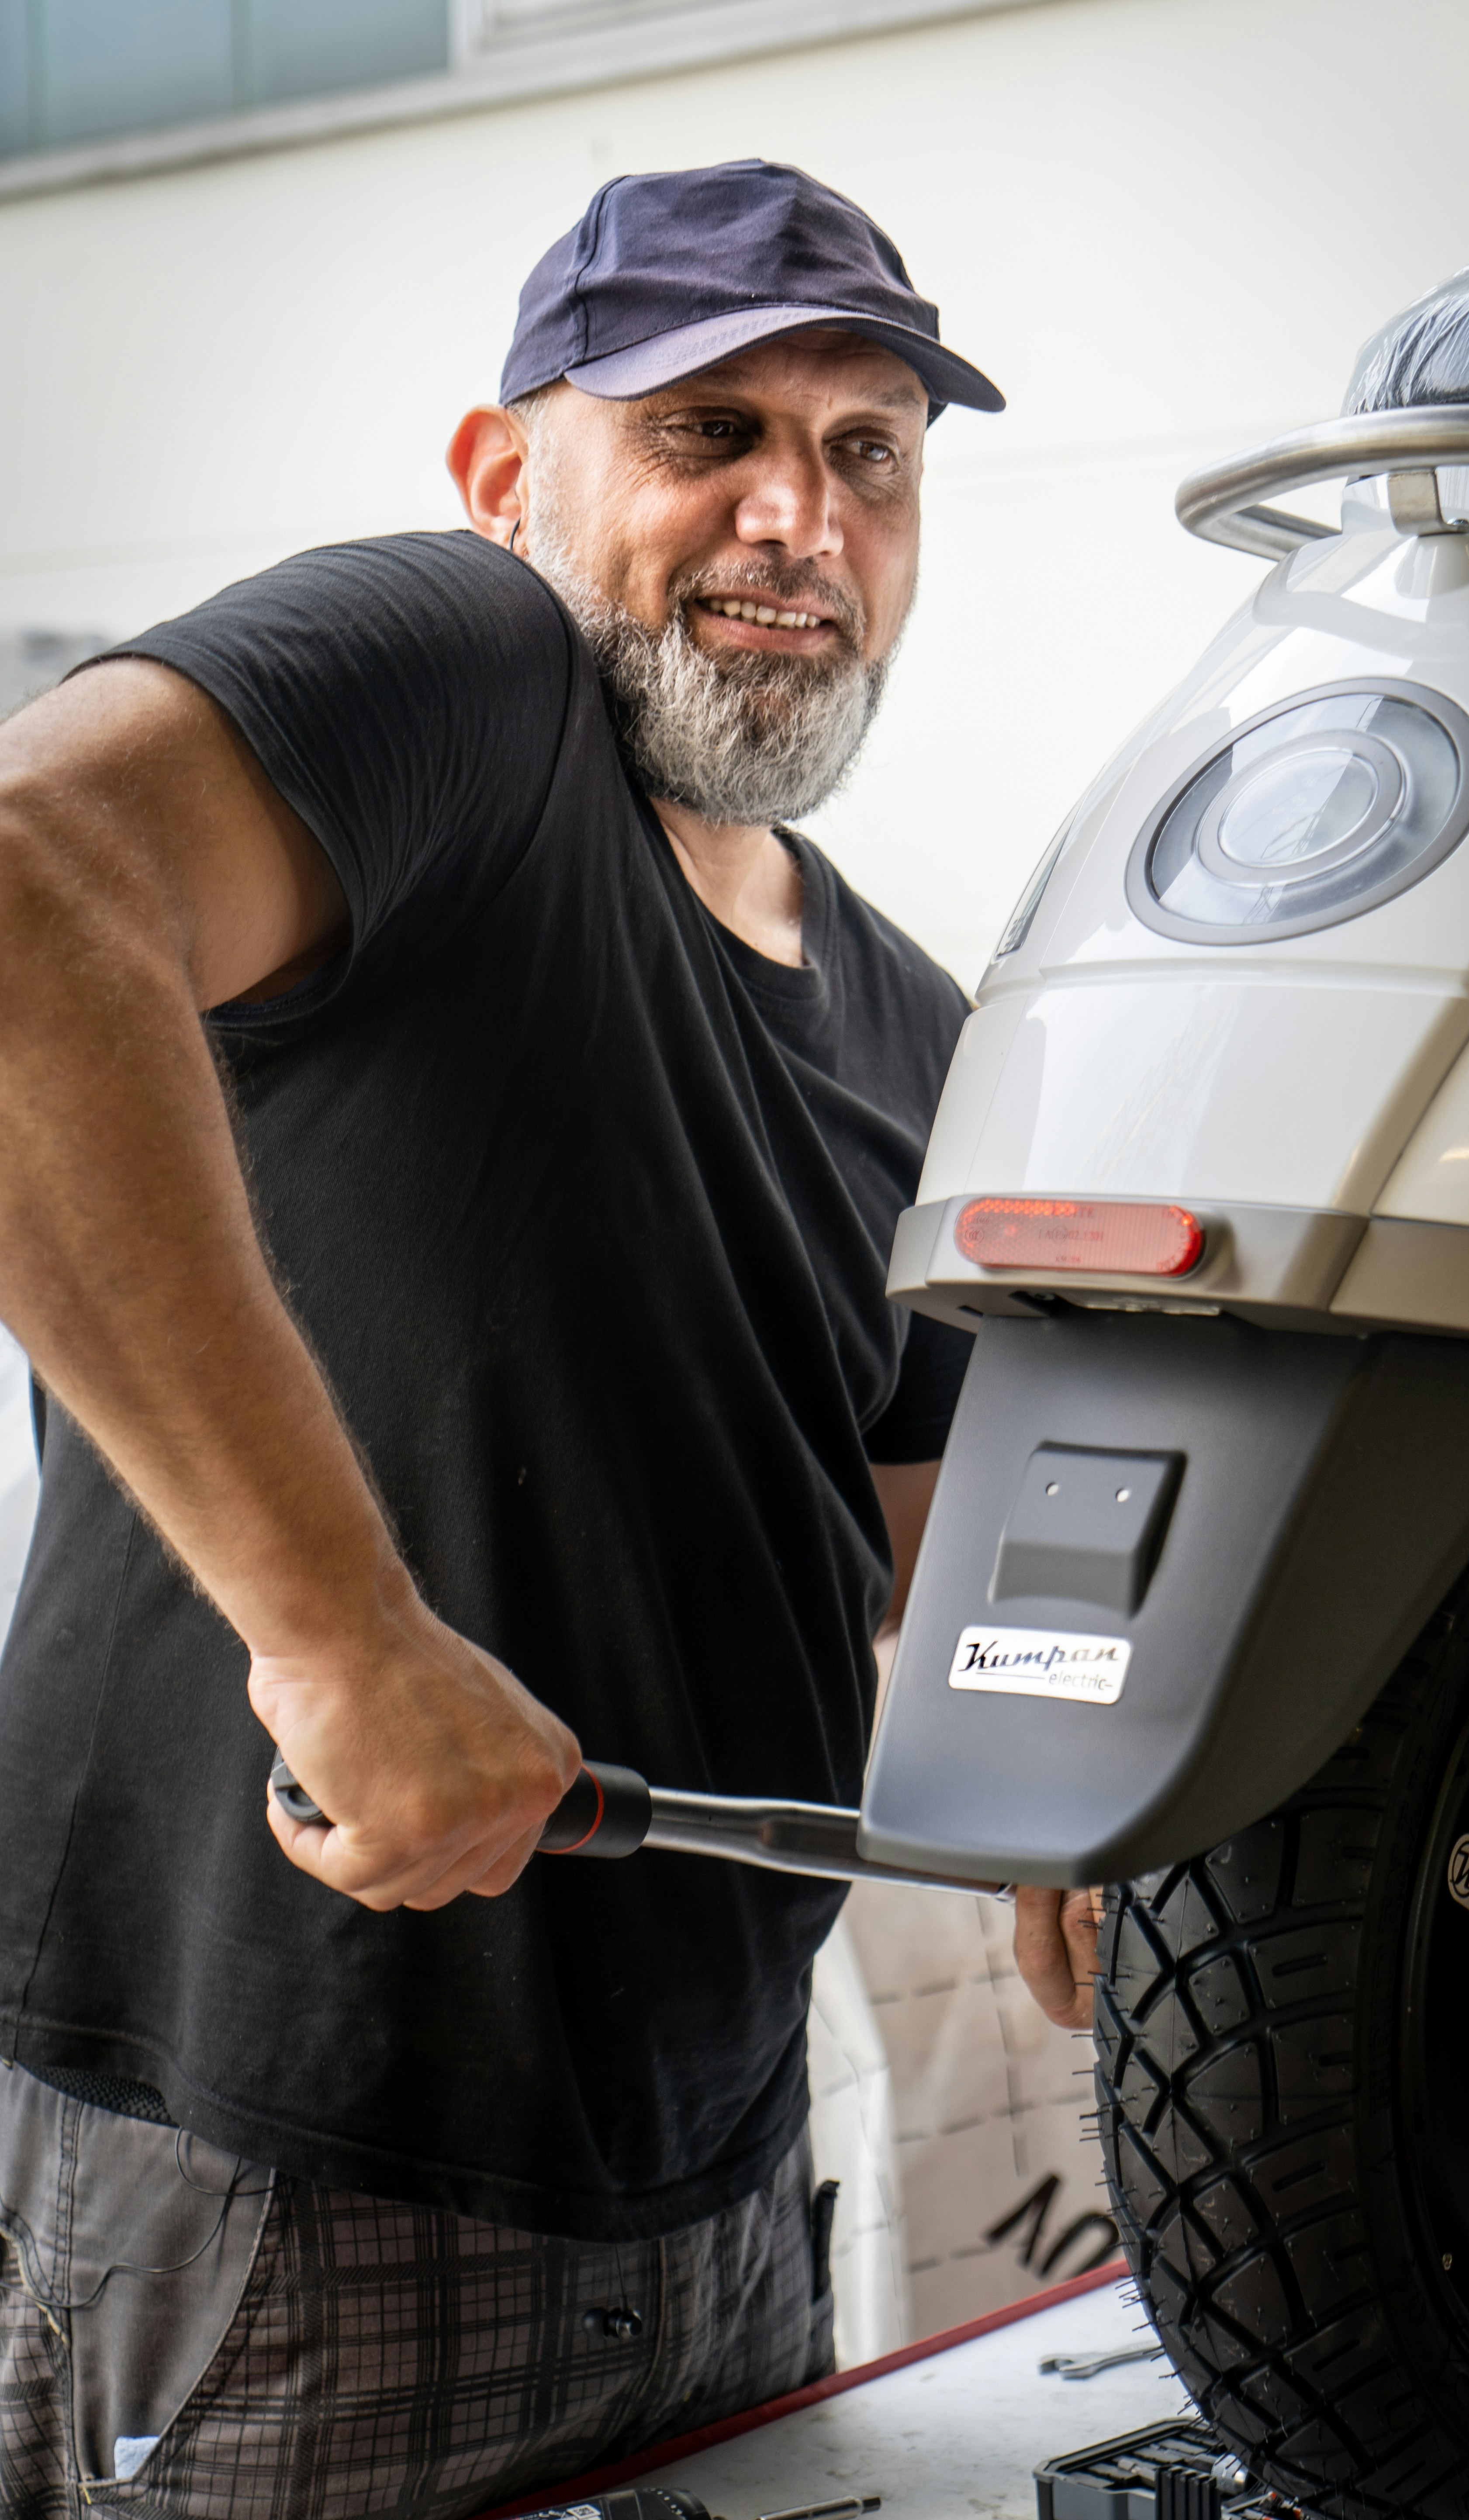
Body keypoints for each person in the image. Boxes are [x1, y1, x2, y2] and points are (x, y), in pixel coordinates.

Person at [0, 158, 1099, 2516]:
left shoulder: (919, 1027)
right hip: (296, 2169)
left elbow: (954, 1558)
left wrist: (1084, 1810)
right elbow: (22, 900)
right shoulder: (459, 691)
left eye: (867, 453)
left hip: (718, 2184)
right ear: (510, 479)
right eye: (709, 433)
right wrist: (337, 1639)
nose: (794, 515)